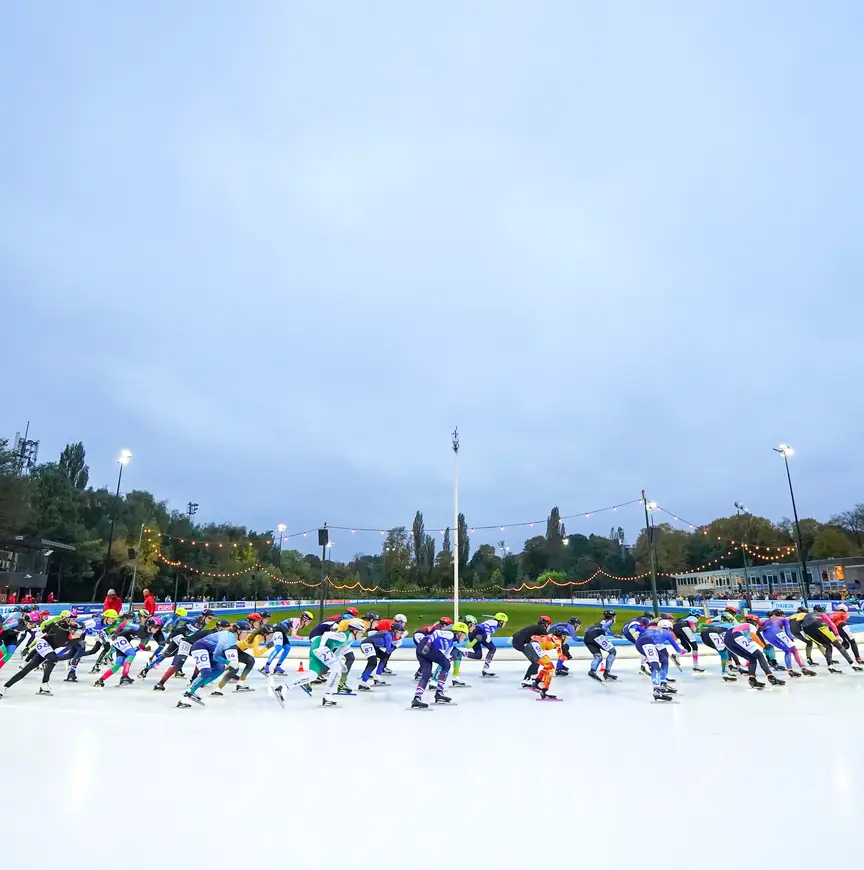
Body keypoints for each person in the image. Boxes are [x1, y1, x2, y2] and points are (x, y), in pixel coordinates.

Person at [412, 621, 469, 709]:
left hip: (421, 648)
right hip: (426, 644)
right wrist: (428, 644)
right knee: (445, 665)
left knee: (427, 674)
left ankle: (417, 698)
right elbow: (436, 633)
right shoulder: (449, 635)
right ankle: (439, 692)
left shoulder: (451, 644)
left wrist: (453, 658)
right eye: (465, 635)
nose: (465, 638)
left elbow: (445, 659)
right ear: (459, 632)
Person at [723, 617, 784, 689]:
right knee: (760, 656)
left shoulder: (741, 626)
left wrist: (763, 645)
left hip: (727, 641)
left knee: (751, 658)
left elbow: (757, 636)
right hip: (736, 636)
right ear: (755, 623)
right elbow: (753, 635)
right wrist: (763, 646)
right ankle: (771, 677)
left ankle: (752, 679)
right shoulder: (751, 626)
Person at [635, 619, 684, 701]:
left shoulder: (653, 629)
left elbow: (640, 631)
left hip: (642, 643)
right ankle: (657, 690)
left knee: (664, 658)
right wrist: (685, 650)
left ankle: (663, 683)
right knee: (655, 666)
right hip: (648, 643)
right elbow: (678, 649)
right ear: (669, 628)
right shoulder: (668, 633)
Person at [761, 609, 815, 677]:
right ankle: (803, 668)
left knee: (786, 650)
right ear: (783, 615)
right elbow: (788, 631)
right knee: (794, 650)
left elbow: (759, 626)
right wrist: (790, 638)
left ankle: (789, 670)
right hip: (777, 632)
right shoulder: (784, 619)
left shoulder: (766, 620)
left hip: (766, 635)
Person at [260, 610, 313, 676]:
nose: (310, 622)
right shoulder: (297, 622)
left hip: (282, 632)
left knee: (287, 648)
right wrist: (304, 638)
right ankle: (266, 666)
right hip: (278, 630)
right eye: (309, 621)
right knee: (278, 648)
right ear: (304, 619)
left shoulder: (300, 623)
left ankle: (277, 667)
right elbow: (293, 635)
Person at [461, 612, 508, 677]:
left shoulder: (495, 623)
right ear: (501, 621)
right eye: (505, 622)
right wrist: (488, 635)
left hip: (473, 633)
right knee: (492, 648)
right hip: (480, 632)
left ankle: (460, 653)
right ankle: (485, 669)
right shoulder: (495, 622)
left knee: (478, 655)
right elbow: (486, 625)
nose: (505, 624)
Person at [529, 628, 568, 700]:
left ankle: (536, 682)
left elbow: (534, 637)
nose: (567, 639)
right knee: (551, 668)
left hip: (531, 646)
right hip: (535, 646)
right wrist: (564, 657)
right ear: (562, 636)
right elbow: (560, 655)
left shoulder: (551, 636)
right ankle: (544, 691)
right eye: (566, 637)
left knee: (548, 666)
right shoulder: (557, 640)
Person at [512, 616, 552, 684]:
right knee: (536, 661)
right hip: (522, 643)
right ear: (546, 624)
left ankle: (533, 675)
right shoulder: (542, 628)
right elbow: (547, 641)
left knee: (537, 659)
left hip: (517, 641)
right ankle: (526, 679)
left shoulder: (535, 627)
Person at [584, 610, 618, 683]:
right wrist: (613, 634)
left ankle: (592, 671)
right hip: (597, 636)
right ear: (613, 617)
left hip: (587, 638)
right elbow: (604, 627)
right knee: (613, 651)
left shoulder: (601, 621)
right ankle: (607, 672)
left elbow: (586, 630)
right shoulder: (610, 621)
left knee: (598, 656)